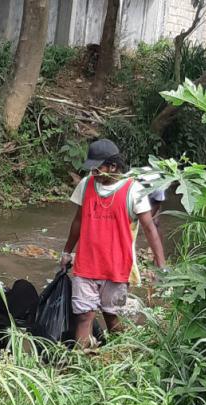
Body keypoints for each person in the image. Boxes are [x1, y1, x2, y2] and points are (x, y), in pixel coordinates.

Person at [60, 139, 166, 348]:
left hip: (117, 267)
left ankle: (120, 353)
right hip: (86, 265)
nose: (94, 173)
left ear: (113, 167)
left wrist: (160, 264)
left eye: (97, 168)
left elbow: (149, 228)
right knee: (83, 316)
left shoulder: (133, 190)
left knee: (111, 316)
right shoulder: (86, 184)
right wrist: (66, 252)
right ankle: (81, 364)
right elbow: (78, 221)